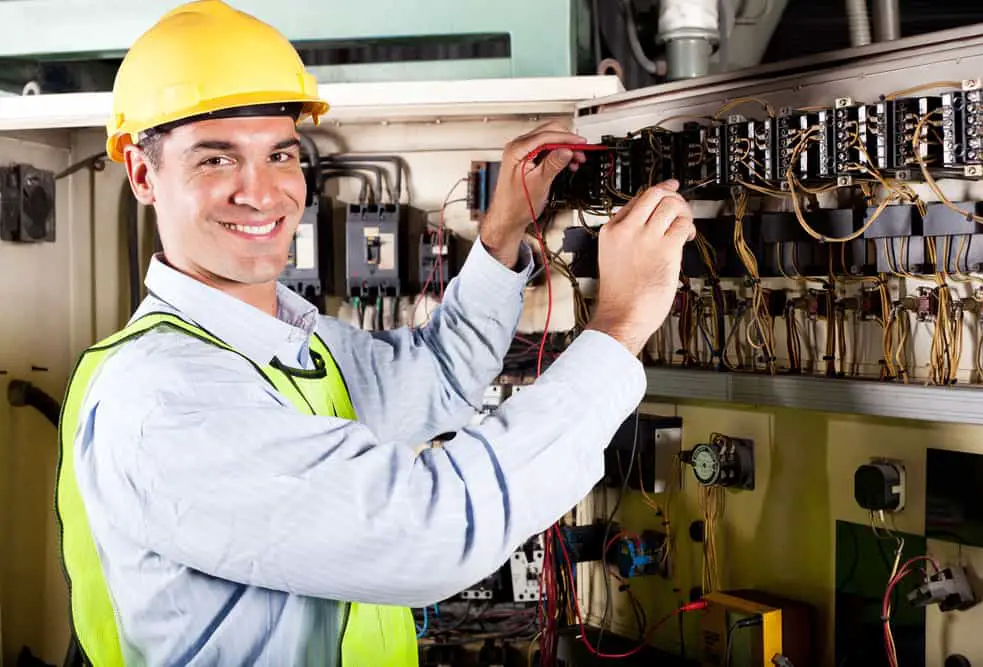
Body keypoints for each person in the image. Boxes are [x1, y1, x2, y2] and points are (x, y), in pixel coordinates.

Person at [54, 1, 696, 665]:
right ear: (141, 173)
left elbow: (437, 375)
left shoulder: (288, 343)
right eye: (216, 160)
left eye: (280, 153)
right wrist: (621, 323)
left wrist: (502, 234)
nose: (263, 192)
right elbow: (433, 527)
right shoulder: (167, 398)